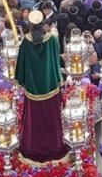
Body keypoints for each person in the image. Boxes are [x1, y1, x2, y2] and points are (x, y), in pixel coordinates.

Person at [14, 9, 66, 163]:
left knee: (34, 120)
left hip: (32, 88)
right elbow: (56, 59)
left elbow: (21, 64)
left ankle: (33, 146)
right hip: (50, 85)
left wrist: (22, 79)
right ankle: (54, 144)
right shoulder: (52, 39)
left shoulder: (26, 42)